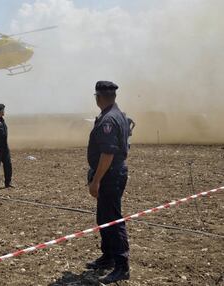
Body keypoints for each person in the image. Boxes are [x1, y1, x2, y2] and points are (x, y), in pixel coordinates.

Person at [86, 81, 130, 284]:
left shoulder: (108, 120)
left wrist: (96, 181)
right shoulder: (117, 114)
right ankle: (108, 257)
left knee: (113, 219)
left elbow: (107, 153)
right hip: (111, 173)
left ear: (100, 97)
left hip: (110, 175)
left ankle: (122, 266)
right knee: (104, 217)